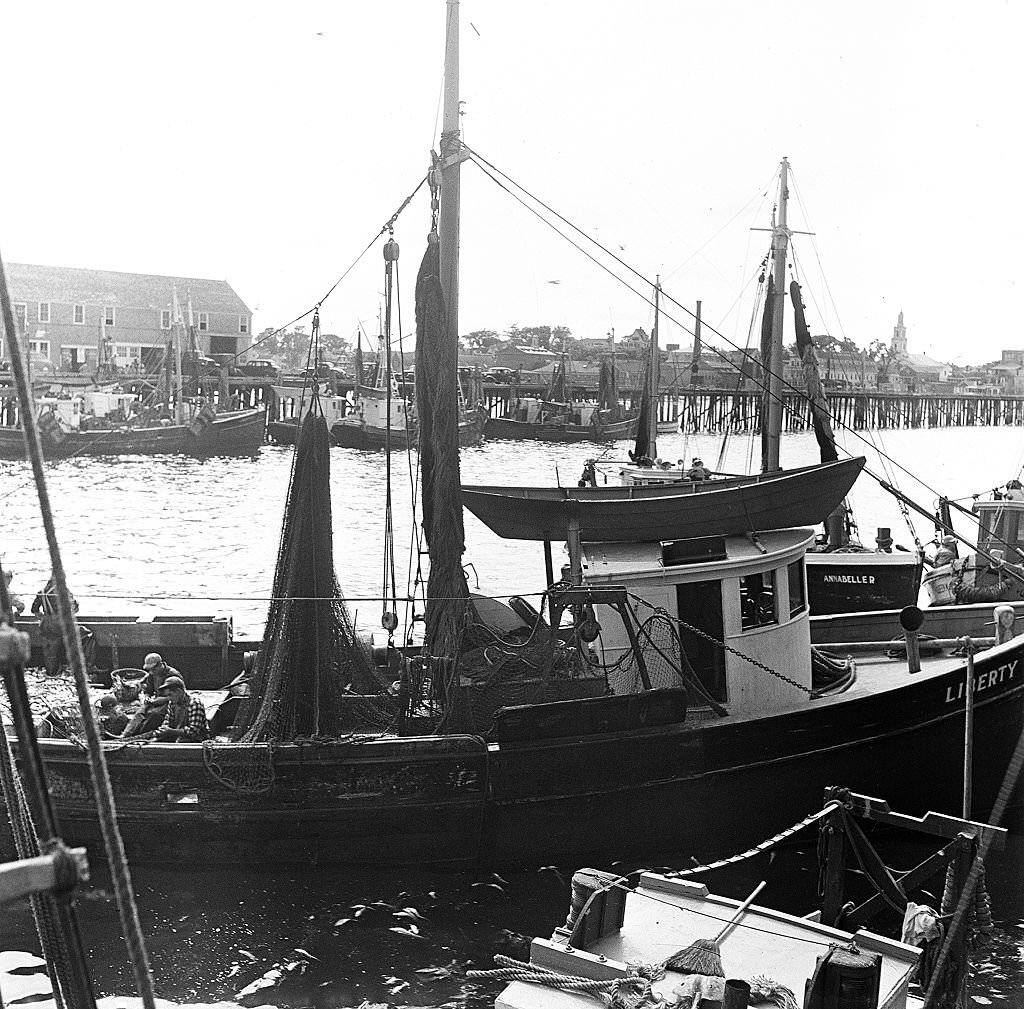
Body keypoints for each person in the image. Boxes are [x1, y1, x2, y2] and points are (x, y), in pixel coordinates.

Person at [116, 653, 182, 738]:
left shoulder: (173, 675)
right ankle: (125, 734)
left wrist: (163, 699)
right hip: (156, 701)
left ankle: (139, 735)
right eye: (149, 670)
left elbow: (179, 695)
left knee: (154, 714)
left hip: (171, 702)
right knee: (140, 711)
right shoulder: (152, 675)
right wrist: (146, 697)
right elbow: (148, 690)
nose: (151, 672)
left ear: (160, 665)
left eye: (153, 669)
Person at [31, 574, 79, 677]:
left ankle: (50, 671)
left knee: (49, 649)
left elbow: (34, 610)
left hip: (45, 623)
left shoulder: (42, 592)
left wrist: (44, 616)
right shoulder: (63, 592)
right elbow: (74, 608)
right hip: (58, 624)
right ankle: (59, 671)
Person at [152, 675, 209, 742]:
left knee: (181, 741)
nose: (169, 698)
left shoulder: (194, 704)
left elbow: (193, 731)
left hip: (197, 741)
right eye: (167, 695)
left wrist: (172, 731)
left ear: (179, 691)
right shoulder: (172, 703)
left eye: (170, 695)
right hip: (178, 736)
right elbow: (168, 720)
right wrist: (164, 729)